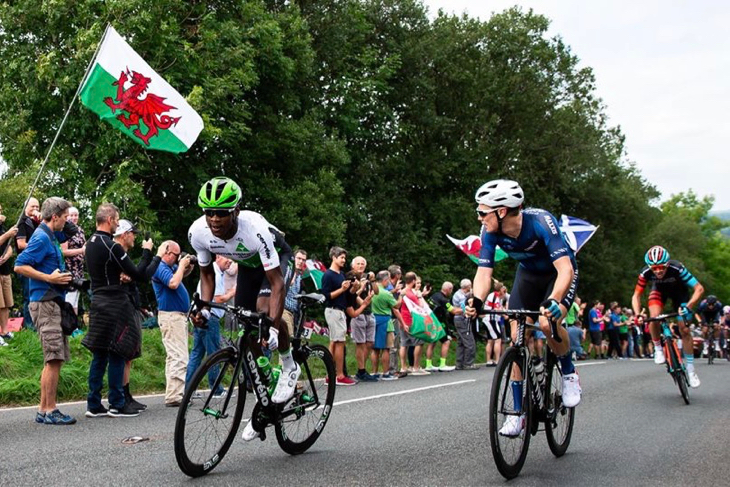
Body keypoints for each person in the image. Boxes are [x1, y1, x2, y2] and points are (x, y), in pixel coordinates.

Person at [465, 179, 582, 437]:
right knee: (517, 335)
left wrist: (555, 300)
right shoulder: (490, 232)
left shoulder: (541, 222)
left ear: (502, 211)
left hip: (558, 275)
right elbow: (484, 272)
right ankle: (518, 414)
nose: (479, 218)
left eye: (482, 212)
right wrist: (477, 299)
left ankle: (568, 372)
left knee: (546, 323)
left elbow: (565, 268)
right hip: (528, 276)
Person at [188, 177, 293, 442]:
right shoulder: (197, 233)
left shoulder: (254, 229)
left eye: (221, 213)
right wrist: (206, 310)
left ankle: (290, 364)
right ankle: (265, 393)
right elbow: (207, 275)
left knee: (263, 310)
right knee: (247, 328)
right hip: (248, 266)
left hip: (275, 261)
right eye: (208, 212)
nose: (214, 219)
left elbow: (277, 283)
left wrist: (271, 324)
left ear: (235, 211)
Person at [83, 208, 162, 418]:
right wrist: (147, 252)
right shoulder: (111, 246)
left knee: (99, 354)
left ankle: (93, 403)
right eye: (117, 220)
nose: (118, 224)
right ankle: (117, 403)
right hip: (115, 302)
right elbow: (138, 274)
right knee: (118, 351)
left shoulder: (89, 243)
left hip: (97, 300)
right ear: (109, 220)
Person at [14, 197, 76, 424]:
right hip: (44, 302)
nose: (67, 220)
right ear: (55, 217)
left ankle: (44, 409)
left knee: (55, 359)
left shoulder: (50, 235)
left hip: (53, 301)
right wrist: (48, 277)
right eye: (65, 216)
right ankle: (50, 410)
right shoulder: (41, 237)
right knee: (53, 357)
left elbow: (71, 230)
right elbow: (19, 265)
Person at [631, 245, 704, 388]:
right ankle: (658, 348)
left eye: (662, 267)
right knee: (654, 317)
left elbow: (699, 289)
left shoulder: (677, 268)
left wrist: (688, 307)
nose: (658, 271)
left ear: (668, 264)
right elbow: (636, 295)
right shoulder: (645, 272)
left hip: (680, 295)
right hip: (658, 293)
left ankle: (691, 370)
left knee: (684, 330)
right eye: (654, 268)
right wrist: (637, 314)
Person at [113, 219, 153, 411]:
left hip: (131, 304)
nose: (135, 236)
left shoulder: (124, 254)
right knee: (123, 353)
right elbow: (140, 275)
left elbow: (137, 276)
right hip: (122, 307)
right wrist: (150, 254)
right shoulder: (116, 252)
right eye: (133, 233)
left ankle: (126, 394)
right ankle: (120, 396)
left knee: (130, 354)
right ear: (124, 234)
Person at [152, 240, 194, 407]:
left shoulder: (170, 268)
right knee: (179, 356)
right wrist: (182, 265)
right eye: (177, 255)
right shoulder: (160, 267)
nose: (178, 259)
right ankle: (176, 396)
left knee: (175, 355)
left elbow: (181, 275)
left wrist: (187, 266)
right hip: (171, 316)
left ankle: (174, 393)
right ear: (168, 253)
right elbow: (173, 283)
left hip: (176, 316)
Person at [186, 255, 235, 395]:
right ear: (218, 257)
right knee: (213, 353)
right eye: (227, 258)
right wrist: (233, 291)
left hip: (199, 316)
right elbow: (218, 298)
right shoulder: (214, 274)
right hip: (210, 317)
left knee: (196, 353)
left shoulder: (213, 272)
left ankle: (188, 389)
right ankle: (216, 389)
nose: (230, 261)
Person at [320, 246, 355, 386]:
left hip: (340, 310)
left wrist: (353, 288)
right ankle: (339, 375)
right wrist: (342, 289)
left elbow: (346, 296)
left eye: (344, 258)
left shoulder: (341, 274)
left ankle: (332, 374)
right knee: (338, 342)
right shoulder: (328, 275)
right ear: (333, 257)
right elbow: (326, 296)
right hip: (333, 310)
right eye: (341, 257)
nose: (343, 260)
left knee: (335, 341)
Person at [350, 256, 379, 381]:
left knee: (370, 342)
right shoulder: (351, 277)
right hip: (358, 312)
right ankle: (361, 370)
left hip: (369, 312)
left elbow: (376, 292)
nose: (361, 266)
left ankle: (362, 368)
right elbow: (351, 295)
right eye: (358, 264)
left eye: (363, 264)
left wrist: (372, 281)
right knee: (360, 343)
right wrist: (360, 288)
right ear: (353, 265)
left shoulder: (367, 277)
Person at [370, 270, 402, 380]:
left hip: (373, 319)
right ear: (385, 280)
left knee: (375, 349)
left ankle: (374, 372)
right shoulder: (386, 293)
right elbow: (396, 306)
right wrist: (401, 296)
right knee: (386, 348)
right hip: (385, 321)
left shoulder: (371, 291)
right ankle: (385, 372)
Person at [15, 197, 40, 330]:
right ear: (26, 207)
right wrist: (39, 244)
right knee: (28, 295)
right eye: (32, 207)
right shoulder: (22, 222)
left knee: (37, 295)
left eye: (37, 207)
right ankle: (29, 326)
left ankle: (37, 323)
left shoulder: (37, 223)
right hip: (25, 264)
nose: (35, 210)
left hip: (37, 264)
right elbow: (21, 244)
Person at [398, 272, 429, 376]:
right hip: (411, 322)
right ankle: (416, 367)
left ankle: (403, 367)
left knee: (403, 344)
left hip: (402, 320)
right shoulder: (411, 293)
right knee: (418, 343)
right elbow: (420, 306)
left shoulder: (403, 291)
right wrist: (420, 296)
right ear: (414, 281)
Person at [426, 281, 459, 371]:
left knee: (432, 342)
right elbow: (453, 311)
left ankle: (428, 365)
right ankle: (442, 364)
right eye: (451, 290)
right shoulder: (444, 300)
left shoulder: (434, 295)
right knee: (446, 341)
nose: (451, 292)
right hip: (440, 323)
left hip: (430, 321)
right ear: (449, 289)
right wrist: (463, 310)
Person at [60, 206, 86, 315]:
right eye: (71, 215)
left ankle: (74, 325)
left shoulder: (80, 230)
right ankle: (67, 324)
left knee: (76, 296)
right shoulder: (64, 231)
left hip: (79, 267)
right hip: (69, 267)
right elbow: (63, 252)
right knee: (70, 296)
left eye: (76, 215)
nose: (74, 217)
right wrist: (81, 250)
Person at [0, 203, 18, 346]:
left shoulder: (2, 228)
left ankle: (5, 332)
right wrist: (8, 234)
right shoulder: (5, 231)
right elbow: (5, 238)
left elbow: (9, 246)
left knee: (6, 303)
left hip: (5, 270)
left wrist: (7, 256)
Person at [453, 278, 476, 369]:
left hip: (458, 320)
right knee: (469, 342)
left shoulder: (459, 294)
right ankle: (468, 363)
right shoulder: (461, 297)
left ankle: (459, 363)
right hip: (462, 319)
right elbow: (465, 307)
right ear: (468, 286)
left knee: (461, 342)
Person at [482, 282, 507, 367]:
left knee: (490, 340)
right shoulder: (495, 296)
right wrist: (504, 314)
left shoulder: (496, 296)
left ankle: (489, 360)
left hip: (490, 319)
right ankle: (497, 360)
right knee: (498, 339)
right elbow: (497, 309)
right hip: (491, 319)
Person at [283, 249, 307, 337]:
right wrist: (289, 280)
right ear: (293, 258)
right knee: (289, 338)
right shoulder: (287, 270)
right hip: (283, 310)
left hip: (293, 314)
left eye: (303, 260)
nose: (301, 261)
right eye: (299, 258)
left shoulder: (299, 277)